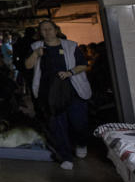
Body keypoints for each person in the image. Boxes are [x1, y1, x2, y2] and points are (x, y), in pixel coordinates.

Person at [24, 20, 92, 170]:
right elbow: (27, 65)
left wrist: (70, 73)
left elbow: (83, 65)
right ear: (40, 33)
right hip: (49, 93)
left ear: (56, 30)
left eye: (49, 29)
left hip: (73, 90)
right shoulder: (36, 47)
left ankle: (81, 143)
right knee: (57, 125)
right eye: (43, 30)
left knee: (78, 122)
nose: (47, 32)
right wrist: (36, 54)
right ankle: (66, 157)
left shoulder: (70, 45)